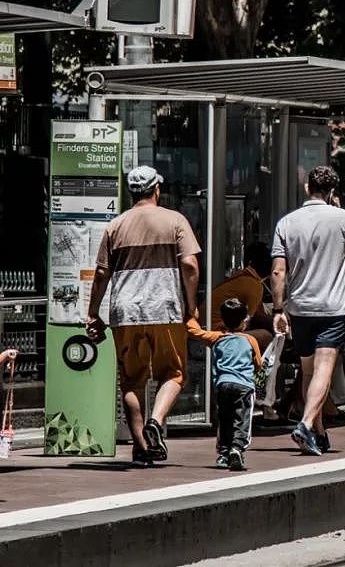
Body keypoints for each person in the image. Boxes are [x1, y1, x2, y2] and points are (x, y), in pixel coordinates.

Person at [86, 166, 200, 467]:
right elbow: (190, 266)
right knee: (174, 373)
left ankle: (141, 447)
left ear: (131, 192)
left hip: (125, 311)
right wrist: (191, 306)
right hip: (165, 307)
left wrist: (93, 313)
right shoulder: (175, 221)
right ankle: (156, 422)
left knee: (131, 379)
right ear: (157, 189)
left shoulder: (116, 225)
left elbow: (101, 273)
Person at [271, 165, 345, 456]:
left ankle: (319, 432)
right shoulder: (342, 218)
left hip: (300, 307)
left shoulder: (286, 223)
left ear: (306, 188)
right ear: (332, 191)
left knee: (308, 370)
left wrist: (278, 308)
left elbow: (277, 271)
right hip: (332, 306)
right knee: (324, 369)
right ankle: (305, 423)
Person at [187, 298, 263, 471]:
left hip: (222, 385)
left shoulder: (217, 338)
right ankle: (237, 448)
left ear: (222, 320)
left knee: (224, 420)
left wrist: (190, 313)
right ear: (244, 322)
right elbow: (258, 363)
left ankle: (223, 454)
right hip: (244, 386)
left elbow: (194, 331)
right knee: (242, 419)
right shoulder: (250, 340)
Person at [212, 242, 274, 353]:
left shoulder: (243, 276)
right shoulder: (254, 286)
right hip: (218, 330)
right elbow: (249, 321)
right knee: (266, 337)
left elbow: (258, 313)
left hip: (210, 326)